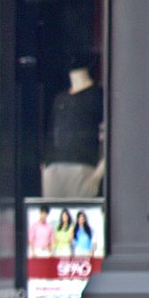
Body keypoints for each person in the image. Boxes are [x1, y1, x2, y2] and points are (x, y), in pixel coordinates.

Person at [42, 56, 105, 199]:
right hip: (53, 169)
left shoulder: (98, 96)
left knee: (79, 213)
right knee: (54, 216)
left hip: (82, 168)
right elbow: (51, 135)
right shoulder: (60, 99)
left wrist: (97, 175)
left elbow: (113, 136)